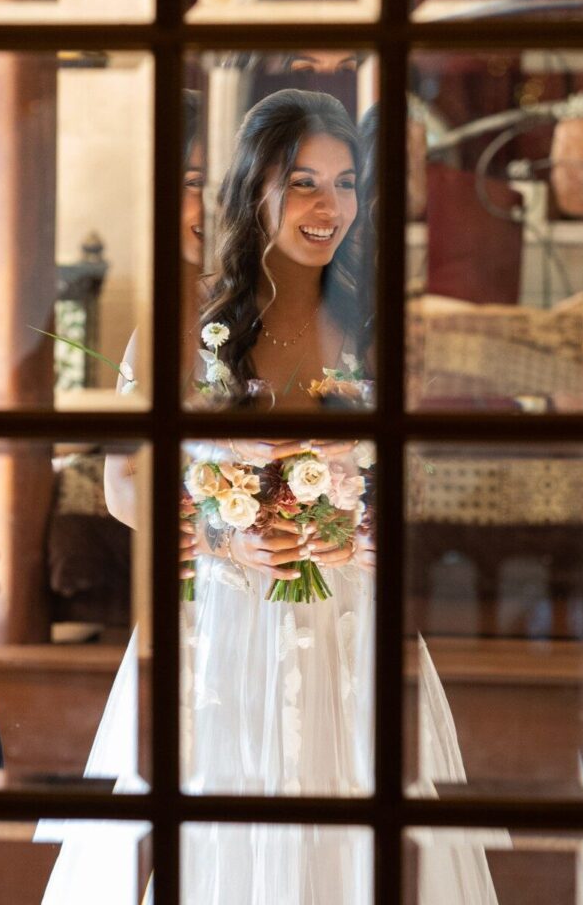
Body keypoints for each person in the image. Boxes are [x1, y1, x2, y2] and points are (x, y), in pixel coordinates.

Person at [43, 90, 494, 904]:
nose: (330, 207)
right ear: (253, 188)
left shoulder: (375, 326)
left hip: (346, 624)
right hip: (222, 625)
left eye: (346, 182)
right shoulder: (188, 315)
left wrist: (363, 533)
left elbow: (409, 484)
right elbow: (121, 487)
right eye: (302, 182)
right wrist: (225, 534)